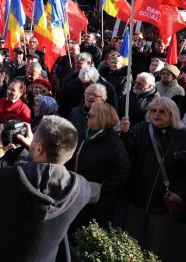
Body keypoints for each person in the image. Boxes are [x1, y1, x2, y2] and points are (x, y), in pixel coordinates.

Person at [0, 116, 90, 262]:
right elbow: (52, 169)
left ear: (40, 148)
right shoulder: (81, 189)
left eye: (34, 138)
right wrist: (37, 150)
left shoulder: (6, 179)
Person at [120, 97, 186, 260]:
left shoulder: (183, 137)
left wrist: (180, 193)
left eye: (162, 111)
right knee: (130, 246)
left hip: (163, 203)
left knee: (155, 249)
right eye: (153, 110)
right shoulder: (140, 129)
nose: (156, 114)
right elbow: (126, 155)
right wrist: (124, 135)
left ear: (173, 114)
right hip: (137, 198)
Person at [65, 103, 130, 230]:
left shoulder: (114, 143)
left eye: (90, 115)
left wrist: (101, 188)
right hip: (77, 192)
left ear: (102, 118)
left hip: (97, 202)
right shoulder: (84, 134)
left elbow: (122, 172)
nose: (87, 117)